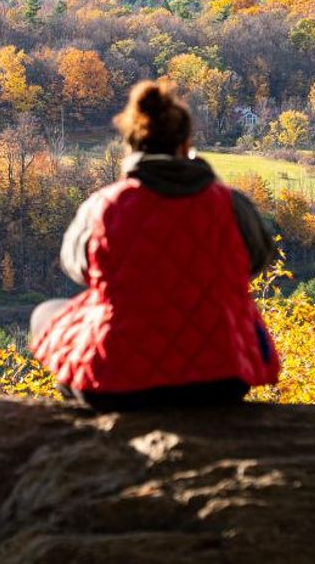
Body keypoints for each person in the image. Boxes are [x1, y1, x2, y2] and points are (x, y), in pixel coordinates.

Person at [29, 80, 280, 412]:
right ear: (186, 143)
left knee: (45, 314)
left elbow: (77, 268)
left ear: (131, 145)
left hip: (117, 385)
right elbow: (258, 259)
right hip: (220, 382)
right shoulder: (228, 204)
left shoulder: (104, 207)